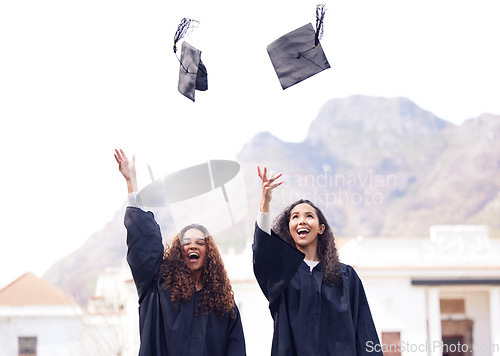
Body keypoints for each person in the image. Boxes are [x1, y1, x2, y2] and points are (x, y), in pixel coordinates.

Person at [114, 149, 246, 356]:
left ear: (209, 252)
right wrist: (132, 183)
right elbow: (144, 246)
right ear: (178, 251)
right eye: (186, 242)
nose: (192, 246)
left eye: (200, 242)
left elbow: (235, 349)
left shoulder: (223, 304)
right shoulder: (159, 288)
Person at [253, 166, 382, 356]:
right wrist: (265, 202)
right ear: (289, 228)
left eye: (309, 216)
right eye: (294, 217)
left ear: (321, 228)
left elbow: (365, 330)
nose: (301, 221)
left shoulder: (346, 277)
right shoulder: (283, 276)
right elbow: (262, 249)